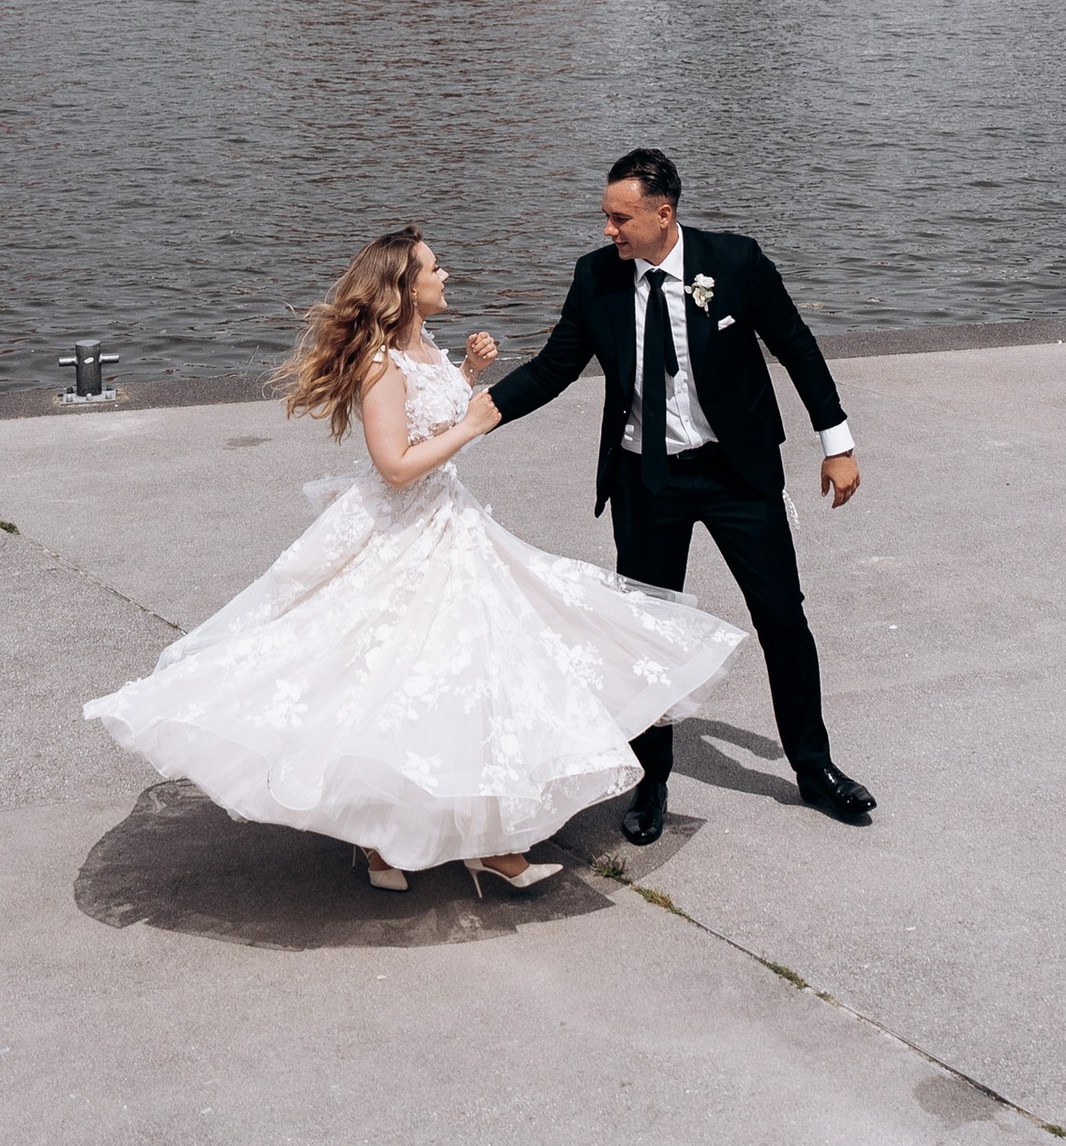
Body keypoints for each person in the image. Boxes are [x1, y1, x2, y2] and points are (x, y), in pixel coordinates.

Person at [84, 228, 746, 897]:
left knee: (471, 673)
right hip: (402, 533)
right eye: (433, 267)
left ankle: (480, 842)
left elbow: (425, 423)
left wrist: (467, 379)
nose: (445, 273)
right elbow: (396, 466)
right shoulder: (377, 362)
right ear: (405, 286)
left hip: (453, 523)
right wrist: (472, 423)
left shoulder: (425, 348)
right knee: (383, 680)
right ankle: (394, 837)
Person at [483, 150, 874, 846]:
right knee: (646, 636)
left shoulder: (736, 261)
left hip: (736, 474)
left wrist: (836, 442)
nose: (608, 230)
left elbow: (798, 346)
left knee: (783, 615)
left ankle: (814, 769)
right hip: (647, 479)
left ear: (663, 215)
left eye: (620, 218)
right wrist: (476, 415)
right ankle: (650, 779)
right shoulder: (596, 278)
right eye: (606, 217)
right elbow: (553, 368)